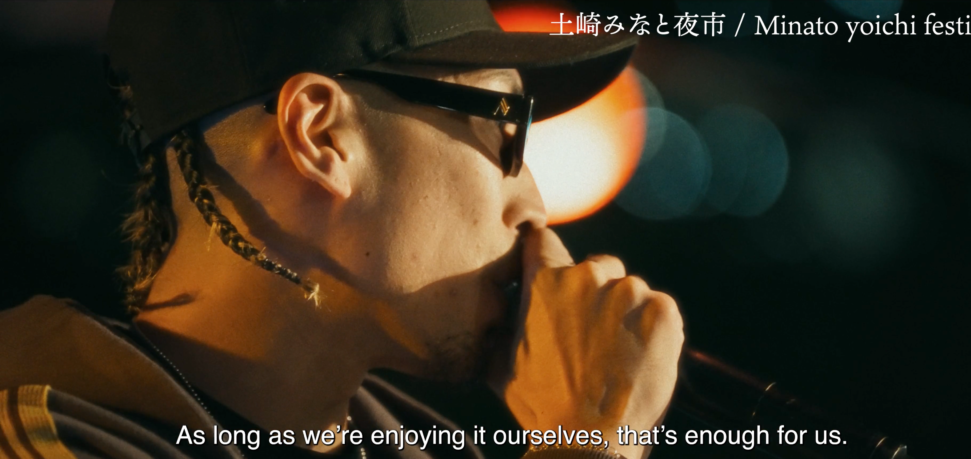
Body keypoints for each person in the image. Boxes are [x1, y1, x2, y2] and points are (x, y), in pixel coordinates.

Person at [0, 1, 684, 458]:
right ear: (319, 134)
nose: (534, 204)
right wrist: (590, 433)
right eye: (504, 128)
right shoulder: (43, 438)